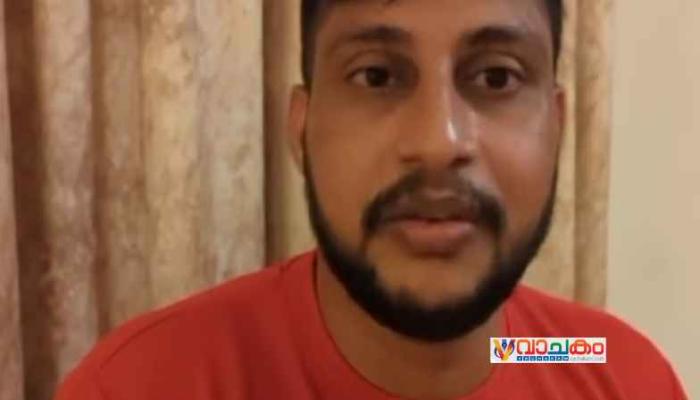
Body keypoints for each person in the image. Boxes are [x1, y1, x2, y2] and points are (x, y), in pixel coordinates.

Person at [56, 0, 688, 399]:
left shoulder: (619, 373)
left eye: (497, 76)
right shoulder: (139, 386)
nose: (438, 142)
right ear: (301, 129)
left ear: (558, 129)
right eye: (376, 76)